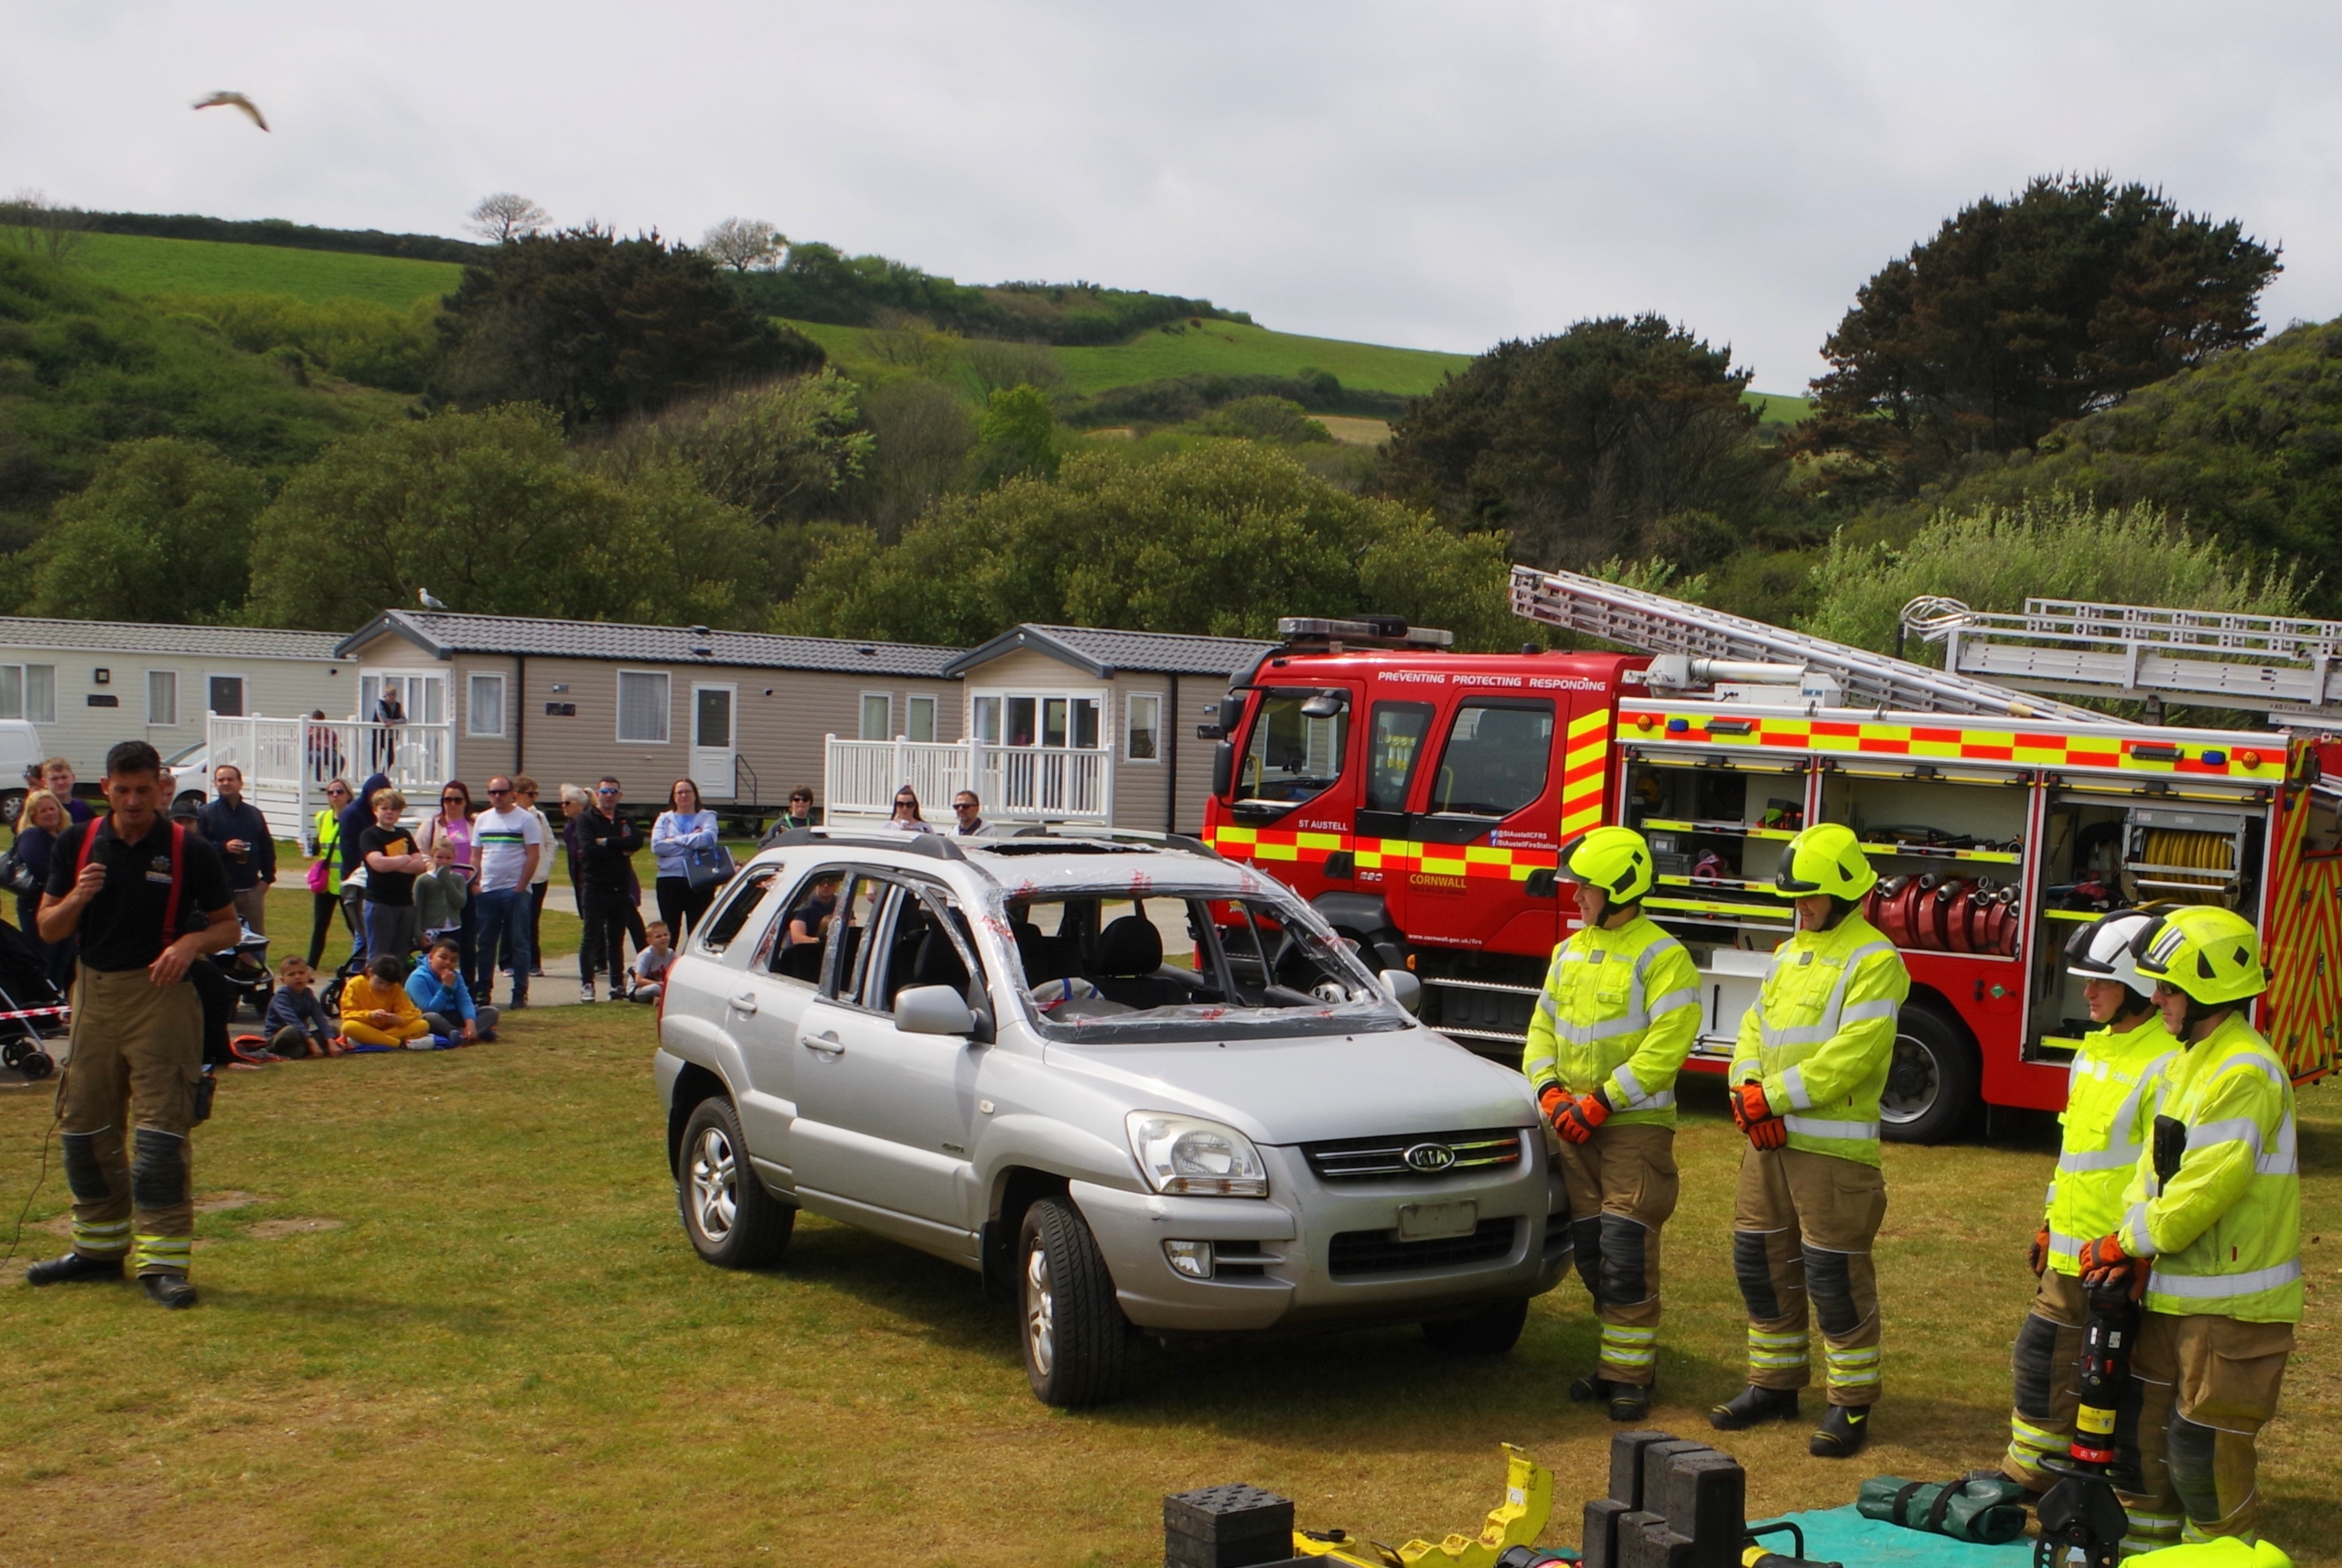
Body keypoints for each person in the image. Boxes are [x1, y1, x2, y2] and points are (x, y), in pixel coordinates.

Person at [2078, 906, 2301, 1551]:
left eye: (2168, 989)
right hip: (2175, 1294)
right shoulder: (2187, 1062)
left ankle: (2223, 1561)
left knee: (2204, 1459)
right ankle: (2147, 1558)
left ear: (2207, 993)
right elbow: (2149, 1175)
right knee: (2142, 1450)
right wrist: (2135, 1241)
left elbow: (2206, 1188)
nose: (2157, 1000)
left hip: (2232, 1306)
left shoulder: (2243, 1072)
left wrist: (2127, 1243)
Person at [1710, 822, 1909, 1459]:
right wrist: (1745, 1085)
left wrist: (1772, 1096)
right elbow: (1752, 1026)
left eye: (1812, 897)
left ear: (1846, 891)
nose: (1802, 908)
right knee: (1761, 1262)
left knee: (1834, 1275)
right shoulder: (1790, 952)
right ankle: (1774, 1384)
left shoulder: (1875, 959)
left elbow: (1854, 1054)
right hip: (1766, 1141)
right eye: (1797, 898)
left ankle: (1850, 1404)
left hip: (1831, 1150)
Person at [26, 739, 238, 1309]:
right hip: (93, 993)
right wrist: (78, 895)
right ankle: (96, 1250)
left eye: (145, 790)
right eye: (122, 790)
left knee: (160, 1138)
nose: (134, 800)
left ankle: (164, 1263)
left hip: (161, 998)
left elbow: (229, 928)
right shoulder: (77, 840)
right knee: (83, 1128)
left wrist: (191, 943)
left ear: (161, 788)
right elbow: (47, 928)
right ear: (106, 787)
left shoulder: (188, 850)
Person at [1522, 826, 1699, 1423]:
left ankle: (1629, 1378)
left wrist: (1603, 1100)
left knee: (1626, 1249)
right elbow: (1541, 1030)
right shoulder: (1568, 952)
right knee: (1595, 1253)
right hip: (1574, 1125)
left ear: (1620, 888)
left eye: (1586, 888)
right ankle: (1613, 1366)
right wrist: (1550, 1092)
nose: (1576, 898)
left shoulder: (1663, 956)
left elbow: (1667, 1043)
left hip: (1631, 1128)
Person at [2001, 909, 2177, 1495]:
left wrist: (2135, 1253)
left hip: (2119, 1259)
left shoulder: (2166, 1062)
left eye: (2100, 980)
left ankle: (2089, 1484)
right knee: (2040, 1360)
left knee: (2112, 1382)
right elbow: (2074, 1151)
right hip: (2071, 1255)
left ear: (2134, 984)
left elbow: (2159, 1173)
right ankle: (2028, 1474)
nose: (2087, 991)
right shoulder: (2093, 1051)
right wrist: (2050, 1221)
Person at [471, 775, 543, 1008]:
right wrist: (476, 882)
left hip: (515, 890)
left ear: (512, 793)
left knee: (519, 943)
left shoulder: (525, 819)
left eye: (502, 792)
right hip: (488, 890)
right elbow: (476, 854)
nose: (497, 797)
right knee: (485, 943)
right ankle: (483, 990)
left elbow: (533, 855)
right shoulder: (482, 819)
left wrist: (520, 887)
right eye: (493, 793)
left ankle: (519, 992)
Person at [576, 777, 644, 1003]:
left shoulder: (625, 818)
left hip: (620, 887)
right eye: (605, 791)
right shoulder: (587, 819)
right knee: (591, 937)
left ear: (619, 795)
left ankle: (617, 984)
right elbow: (588, 850)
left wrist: (606, 842)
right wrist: (619, 848)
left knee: (616, 938)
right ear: (598, 793)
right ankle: (587, 983)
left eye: (613, 791)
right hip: (595, 886)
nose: (609, 795)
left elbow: (637, 842)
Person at [197, 763, 275, 940]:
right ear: (215, 784)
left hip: (250, 891)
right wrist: (224, 847)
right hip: (219, 893)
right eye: (220, 780)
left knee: (254, 942)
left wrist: (267, 880)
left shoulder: (254, 814)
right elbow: (199, 848)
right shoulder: (205, 814)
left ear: (240, 783)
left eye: (230, 779)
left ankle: (252, 968)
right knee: (219, 943)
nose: (225, 783)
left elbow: (266, 848)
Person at [358, 790, 429, 965]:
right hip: (380, 903)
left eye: (395, 809)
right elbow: (378, 864)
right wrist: (404, 859)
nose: (390, 812)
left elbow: (420, 865)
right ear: (375, 810)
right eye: (385, 808)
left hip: (405, 903)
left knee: (400, 956)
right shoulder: (370, 835)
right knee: (379, 956)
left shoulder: (404, 835)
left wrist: (392, 863)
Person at [14, 788, 74, 989]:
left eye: (52, 808)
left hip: (65, 909)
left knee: (63, 964)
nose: (50, 813)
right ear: (33, 816)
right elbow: (43, 869)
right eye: (43, 811)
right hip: (37, 909)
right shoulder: (31, 836)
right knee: (43, 964)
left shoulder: (63, 836)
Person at [422, 781, 478, 985]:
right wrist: (433, 869)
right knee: (439, 941)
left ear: (465, 802)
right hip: (438, 889)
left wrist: (475, 879)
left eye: (457, 799)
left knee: (467, 941)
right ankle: (432, 982)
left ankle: (469, 985)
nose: (452, 804)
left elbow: (480, 852)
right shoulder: (433, 824)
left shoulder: (474, 824)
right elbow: (421, 850)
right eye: (448, 799)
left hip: (465, 885)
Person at [650, 779, 720, 942]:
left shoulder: (707, 816)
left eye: (687, 791)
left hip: (700, 879)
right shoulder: (664, 818)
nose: (683, 795)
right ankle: (667, 966)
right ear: (673, 797)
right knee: (670, 930)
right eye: (679, 792)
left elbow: (708, 840)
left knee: (698, 931)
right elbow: (657, 846)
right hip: (669, 879)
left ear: (695, 795)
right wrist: (693, 843)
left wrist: (674, 839)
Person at [335, 769, 394, 961]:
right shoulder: (352, 814)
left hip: (380, 879)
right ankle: (357, 973)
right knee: (363, 933)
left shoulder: (379, 814)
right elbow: (350, 851)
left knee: (370, 935)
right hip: (357, 879)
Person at [407, 939, 497, 1043]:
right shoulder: (418, 977)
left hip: (453, 1015)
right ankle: (465, 1033)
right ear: (431, 957)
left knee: (491, 1012)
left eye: (453, 960)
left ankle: (466, 1033)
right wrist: (446, 987)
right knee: (429, 1018)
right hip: (432, 1017)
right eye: (443, 957)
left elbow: (464, 1001)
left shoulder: (456, 975)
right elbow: (429, 1009)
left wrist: (470, 1023)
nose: (448, 963)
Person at [339, 952, 433, 1050]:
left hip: (389, 1029)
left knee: (422, 1025)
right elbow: (347, 1014)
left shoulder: (395, 988)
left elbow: (411, 1012)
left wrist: (399, 1019)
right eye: (380, 982)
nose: (384, 988)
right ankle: (399, 1044)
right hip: (364, 1027)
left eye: (389, 985)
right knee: (348, 1027)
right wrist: (369, 1015)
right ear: (369, 972)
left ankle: (373, 1040)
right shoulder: (355, 984)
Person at [306, 779, 353, 969]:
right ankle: (311, 966)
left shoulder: (354, 818)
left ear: (348, 795)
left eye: (339, 791)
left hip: (346, 880)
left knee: (355, 926)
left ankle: (363, 963)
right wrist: (309, 847)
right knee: (320, 925)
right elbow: (321, 846)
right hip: (326, 882)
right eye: (330, 792)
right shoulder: (322, 817)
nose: (335, 795)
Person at [263, 956, 339, 1059]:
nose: (297, 977)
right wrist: (311, 1042)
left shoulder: (308, 994)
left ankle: (303, 1050)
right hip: (280, 1038)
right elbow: (293, 1021)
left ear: (308, 975)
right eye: (291, 974)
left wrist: (330, 1041)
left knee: (333, 1030)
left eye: (301, 973)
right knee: (291, 1030)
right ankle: (305, 1050)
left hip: (302, 1036)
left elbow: (319, 1018)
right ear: (283, 980)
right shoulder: (281, 997)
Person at [516, 777, 553, 979]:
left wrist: (546, 865)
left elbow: (550, 842)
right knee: (513, 920)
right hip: (516, 876)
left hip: (537, 876)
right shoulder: (512, 816)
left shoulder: (538, 816)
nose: (533, 798)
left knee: (532, 920)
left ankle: (533, 962)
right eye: (530, 794)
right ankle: (509, 962)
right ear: (518, 795)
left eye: (536, 794)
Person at [414, 840, 470, 945]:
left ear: (454, 858)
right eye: (439, 857)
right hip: (431, 929)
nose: (444, 862)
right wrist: (418, 933)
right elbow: (417, 908)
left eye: (448, 858)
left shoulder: (458, 878)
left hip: (453, 929)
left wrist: (446, 880)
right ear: (432, 856)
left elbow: (460, 903)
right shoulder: (423, 880)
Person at [784, 872, 843, 950]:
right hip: (800, 954)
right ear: (816, 884)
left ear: (837, 884)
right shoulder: (804, 905)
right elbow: (797, 938)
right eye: (821, 882)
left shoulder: (841, 905)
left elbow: (851, 930)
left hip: (827, 953)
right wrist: (822, 942)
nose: (826, 886)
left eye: (830, 883)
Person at [627, 921, 675, 1002]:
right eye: (658, 936)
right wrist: (659, 983)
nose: (663, 938)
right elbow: (639, 980)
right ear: (649, 941)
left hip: (660, 985)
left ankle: (659, 999)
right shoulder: (646, 955)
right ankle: (663, 999)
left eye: (665, 935)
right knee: (655, 988)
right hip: (637, 990)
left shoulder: (671, 954)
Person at [40, 757, 93, 824]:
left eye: (64, 777)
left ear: (73, 778)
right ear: (44, 782)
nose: (60, 782)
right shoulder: (41, 810)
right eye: (54, 779)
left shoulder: (83, 808)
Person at [373, 685, 404, 770]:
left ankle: (384, 774)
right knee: (376, 757)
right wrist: (388, 721)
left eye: (394, 695)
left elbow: (404, 719)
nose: (392, 697)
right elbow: (383, 719)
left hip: (391, 736)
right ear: (385, 695)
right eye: (390, 694)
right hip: (379, 734)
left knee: (390, 758)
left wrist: (393, 722)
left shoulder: (398, 705)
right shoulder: (380, 703)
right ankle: (376, 775)